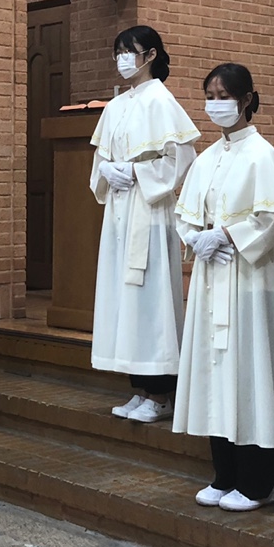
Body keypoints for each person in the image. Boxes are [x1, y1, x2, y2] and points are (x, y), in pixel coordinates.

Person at [174, 63, 274, 512]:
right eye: (209, 96)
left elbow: (273, 219)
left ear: (246, 100)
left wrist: (226, 235)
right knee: (215, 371)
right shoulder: (207, 158)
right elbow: (185, 214)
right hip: (212, 277)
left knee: (250, 372)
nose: (215, 104)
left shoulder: (263, 155)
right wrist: (196, 239)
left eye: (223, 95)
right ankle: (224, 474)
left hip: (248, 278)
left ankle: (260, 482)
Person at [90, 26, 201, 423]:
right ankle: (140, 388)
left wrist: (137, 174)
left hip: (149, 212)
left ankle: (161, 393)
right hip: (120, 211)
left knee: (150, 298)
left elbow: (182, 158)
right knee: (126, 300)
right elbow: (100, 159)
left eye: (129, 51)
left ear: (150, 55)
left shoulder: (161, 100)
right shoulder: (116, 105)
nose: (122, 59)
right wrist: (107, 171)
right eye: (118, 52)